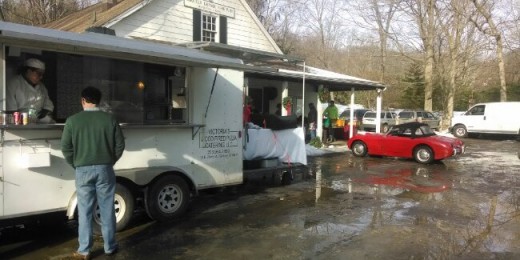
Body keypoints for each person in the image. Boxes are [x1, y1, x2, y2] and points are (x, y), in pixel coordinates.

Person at [61, 86, 125, 259]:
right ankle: (110, 247)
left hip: (83, 170)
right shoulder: (109, 119)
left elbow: (65, 148)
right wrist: (110, 161)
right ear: (99, 100)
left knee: (85, 210)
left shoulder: (73, 121)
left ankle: (84, 250)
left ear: (83, 100)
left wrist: (76, 164)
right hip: (105, 169)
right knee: (107, 209)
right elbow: (120, 145)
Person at [6, 58, 55, 123]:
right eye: (39, 74)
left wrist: (43, 117)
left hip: (38, 121)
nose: (41, 77)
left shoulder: (42, 86)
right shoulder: (13, 83)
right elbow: (11, 110)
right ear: (29, 71)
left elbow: (48, 106)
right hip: (18, 122)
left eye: (42, 74)